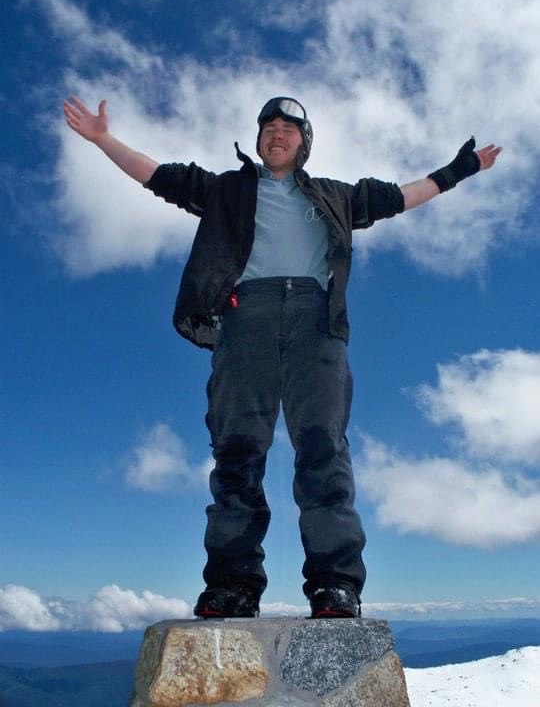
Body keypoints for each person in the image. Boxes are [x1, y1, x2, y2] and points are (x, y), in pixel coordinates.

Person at [63, 95, 502, 619]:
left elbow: (399, 197)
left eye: (289, 128)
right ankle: (232, 584)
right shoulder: (227, 190)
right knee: (237, 449)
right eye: (269, 126)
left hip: (316, 321)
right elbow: (159, 176)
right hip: (245, 314)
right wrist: (103, 139)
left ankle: (334, 585)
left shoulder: (336, 196)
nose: (277, 133)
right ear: (258, 139)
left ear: (304, 141)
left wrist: (460, 169)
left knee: (322, 445)